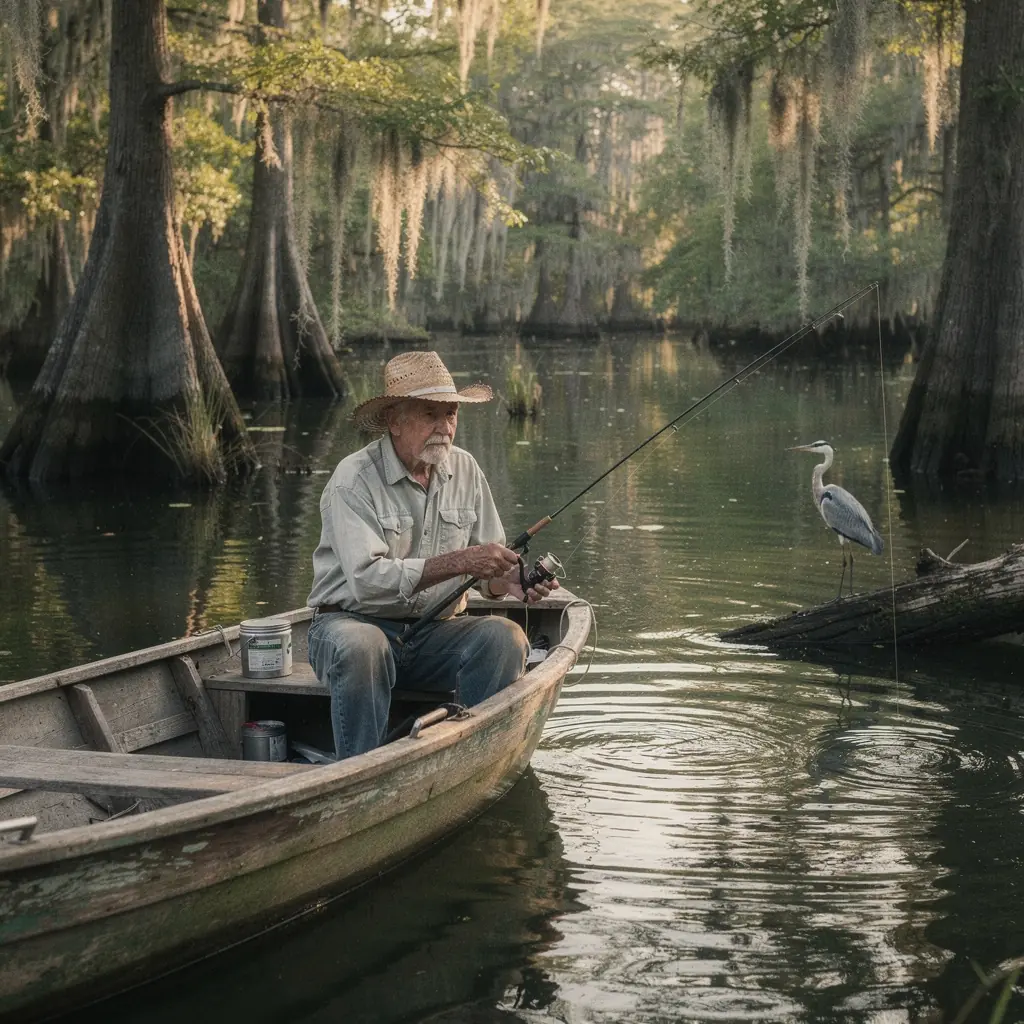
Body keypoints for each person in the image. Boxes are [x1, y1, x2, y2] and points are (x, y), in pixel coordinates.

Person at [307, 350, 558, 760]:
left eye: (451, 414)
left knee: (505, 639)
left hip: (433, 634)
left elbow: (489, 570)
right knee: (363, 646)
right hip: (350, 625)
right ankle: (359, 770)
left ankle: (471, 760)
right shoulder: (353, 479)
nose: (445, 427)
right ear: (394, 421)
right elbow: (368, 583)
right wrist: (461, 561)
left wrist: (511, 582)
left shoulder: (466, 470)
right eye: (430, 414)